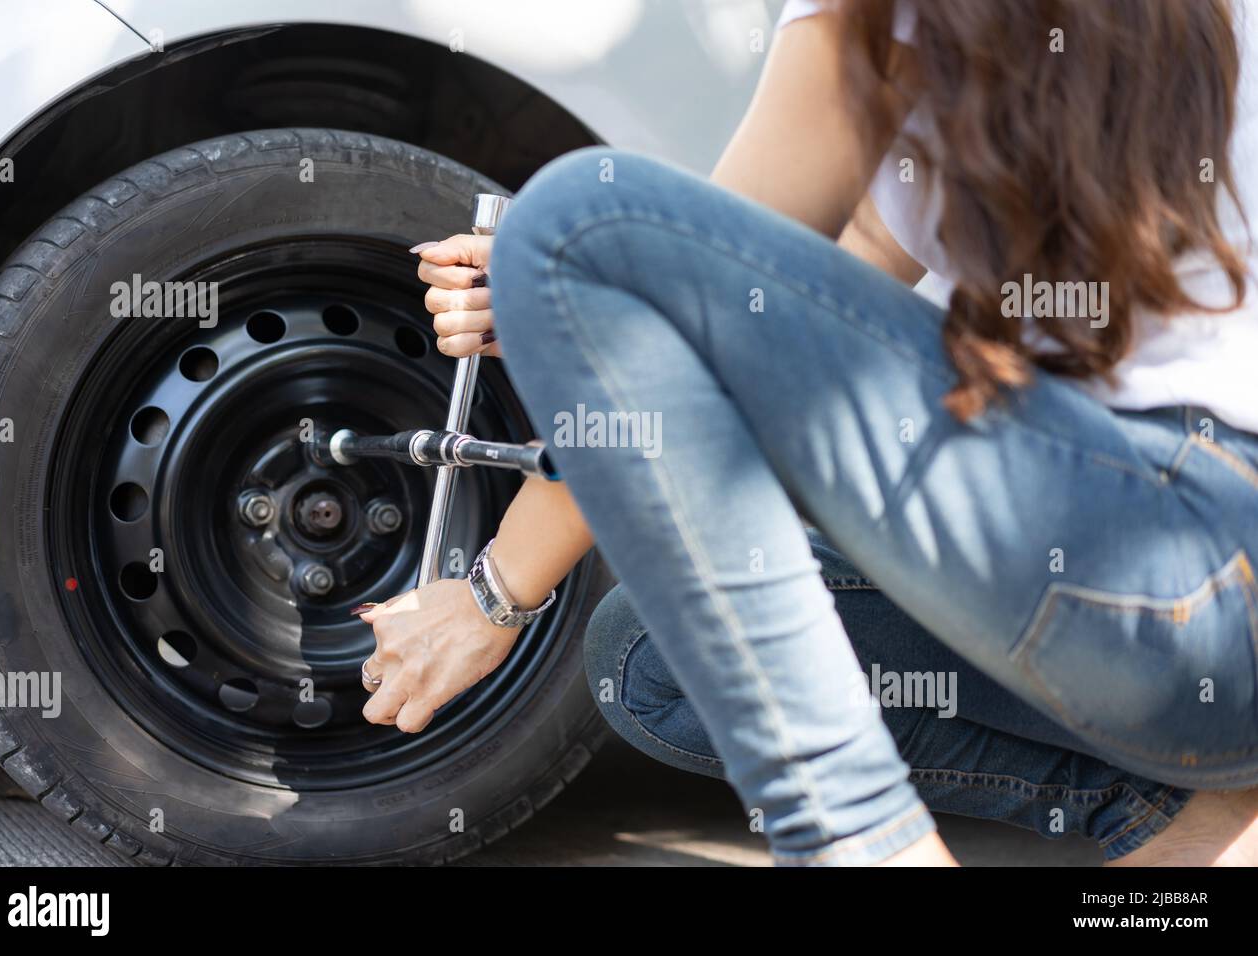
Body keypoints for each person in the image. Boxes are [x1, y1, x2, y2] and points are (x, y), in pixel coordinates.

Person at [359, 0, 1258, 865]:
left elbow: (678, 280)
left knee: (571, 223)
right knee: (648, 657)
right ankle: (1187, 800)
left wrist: (488, 596)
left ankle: (857, 844)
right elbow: (784, 292)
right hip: (1200, 631)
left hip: (1173, 566)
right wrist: (583, 320)